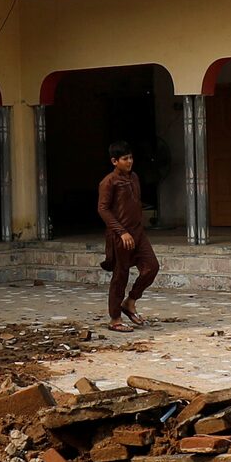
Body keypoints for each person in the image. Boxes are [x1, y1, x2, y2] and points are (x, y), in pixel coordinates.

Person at [96, 139, 158, 330]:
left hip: (138, 232)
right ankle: (115, 319)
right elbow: (103, 209)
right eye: (125, 158)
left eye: (131, 157)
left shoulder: (134, 177)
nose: (129, 162)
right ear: (115, 161)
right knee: (120, 275)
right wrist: (121, 232)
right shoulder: (108, 182)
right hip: (120, 235)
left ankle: (130, 301)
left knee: (152, 267)